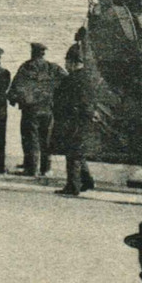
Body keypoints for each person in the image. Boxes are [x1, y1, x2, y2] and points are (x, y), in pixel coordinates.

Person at [9, 42, 65, 177]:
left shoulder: (26, 67)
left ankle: (31, 168)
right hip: (48, 109)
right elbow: (67, 82)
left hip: (31, 110)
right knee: (46, 140)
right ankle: (46, 169)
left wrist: (13, 99)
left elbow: (16, 86)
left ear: (32, 53)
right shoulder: (53, 67)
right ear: (43, 53)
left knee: (30, 138)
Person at [51, 52, 97, 195]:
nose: (65, 65)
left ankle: (72, 186)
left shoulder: (72, 79)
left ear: (72, 62)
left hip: (73, 120)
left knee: (72, 153)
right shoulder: (87, 78)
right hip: (83, 120)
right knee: (79, 152)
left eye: (67, 62)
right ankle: (87, 181)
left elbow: (65, 101)